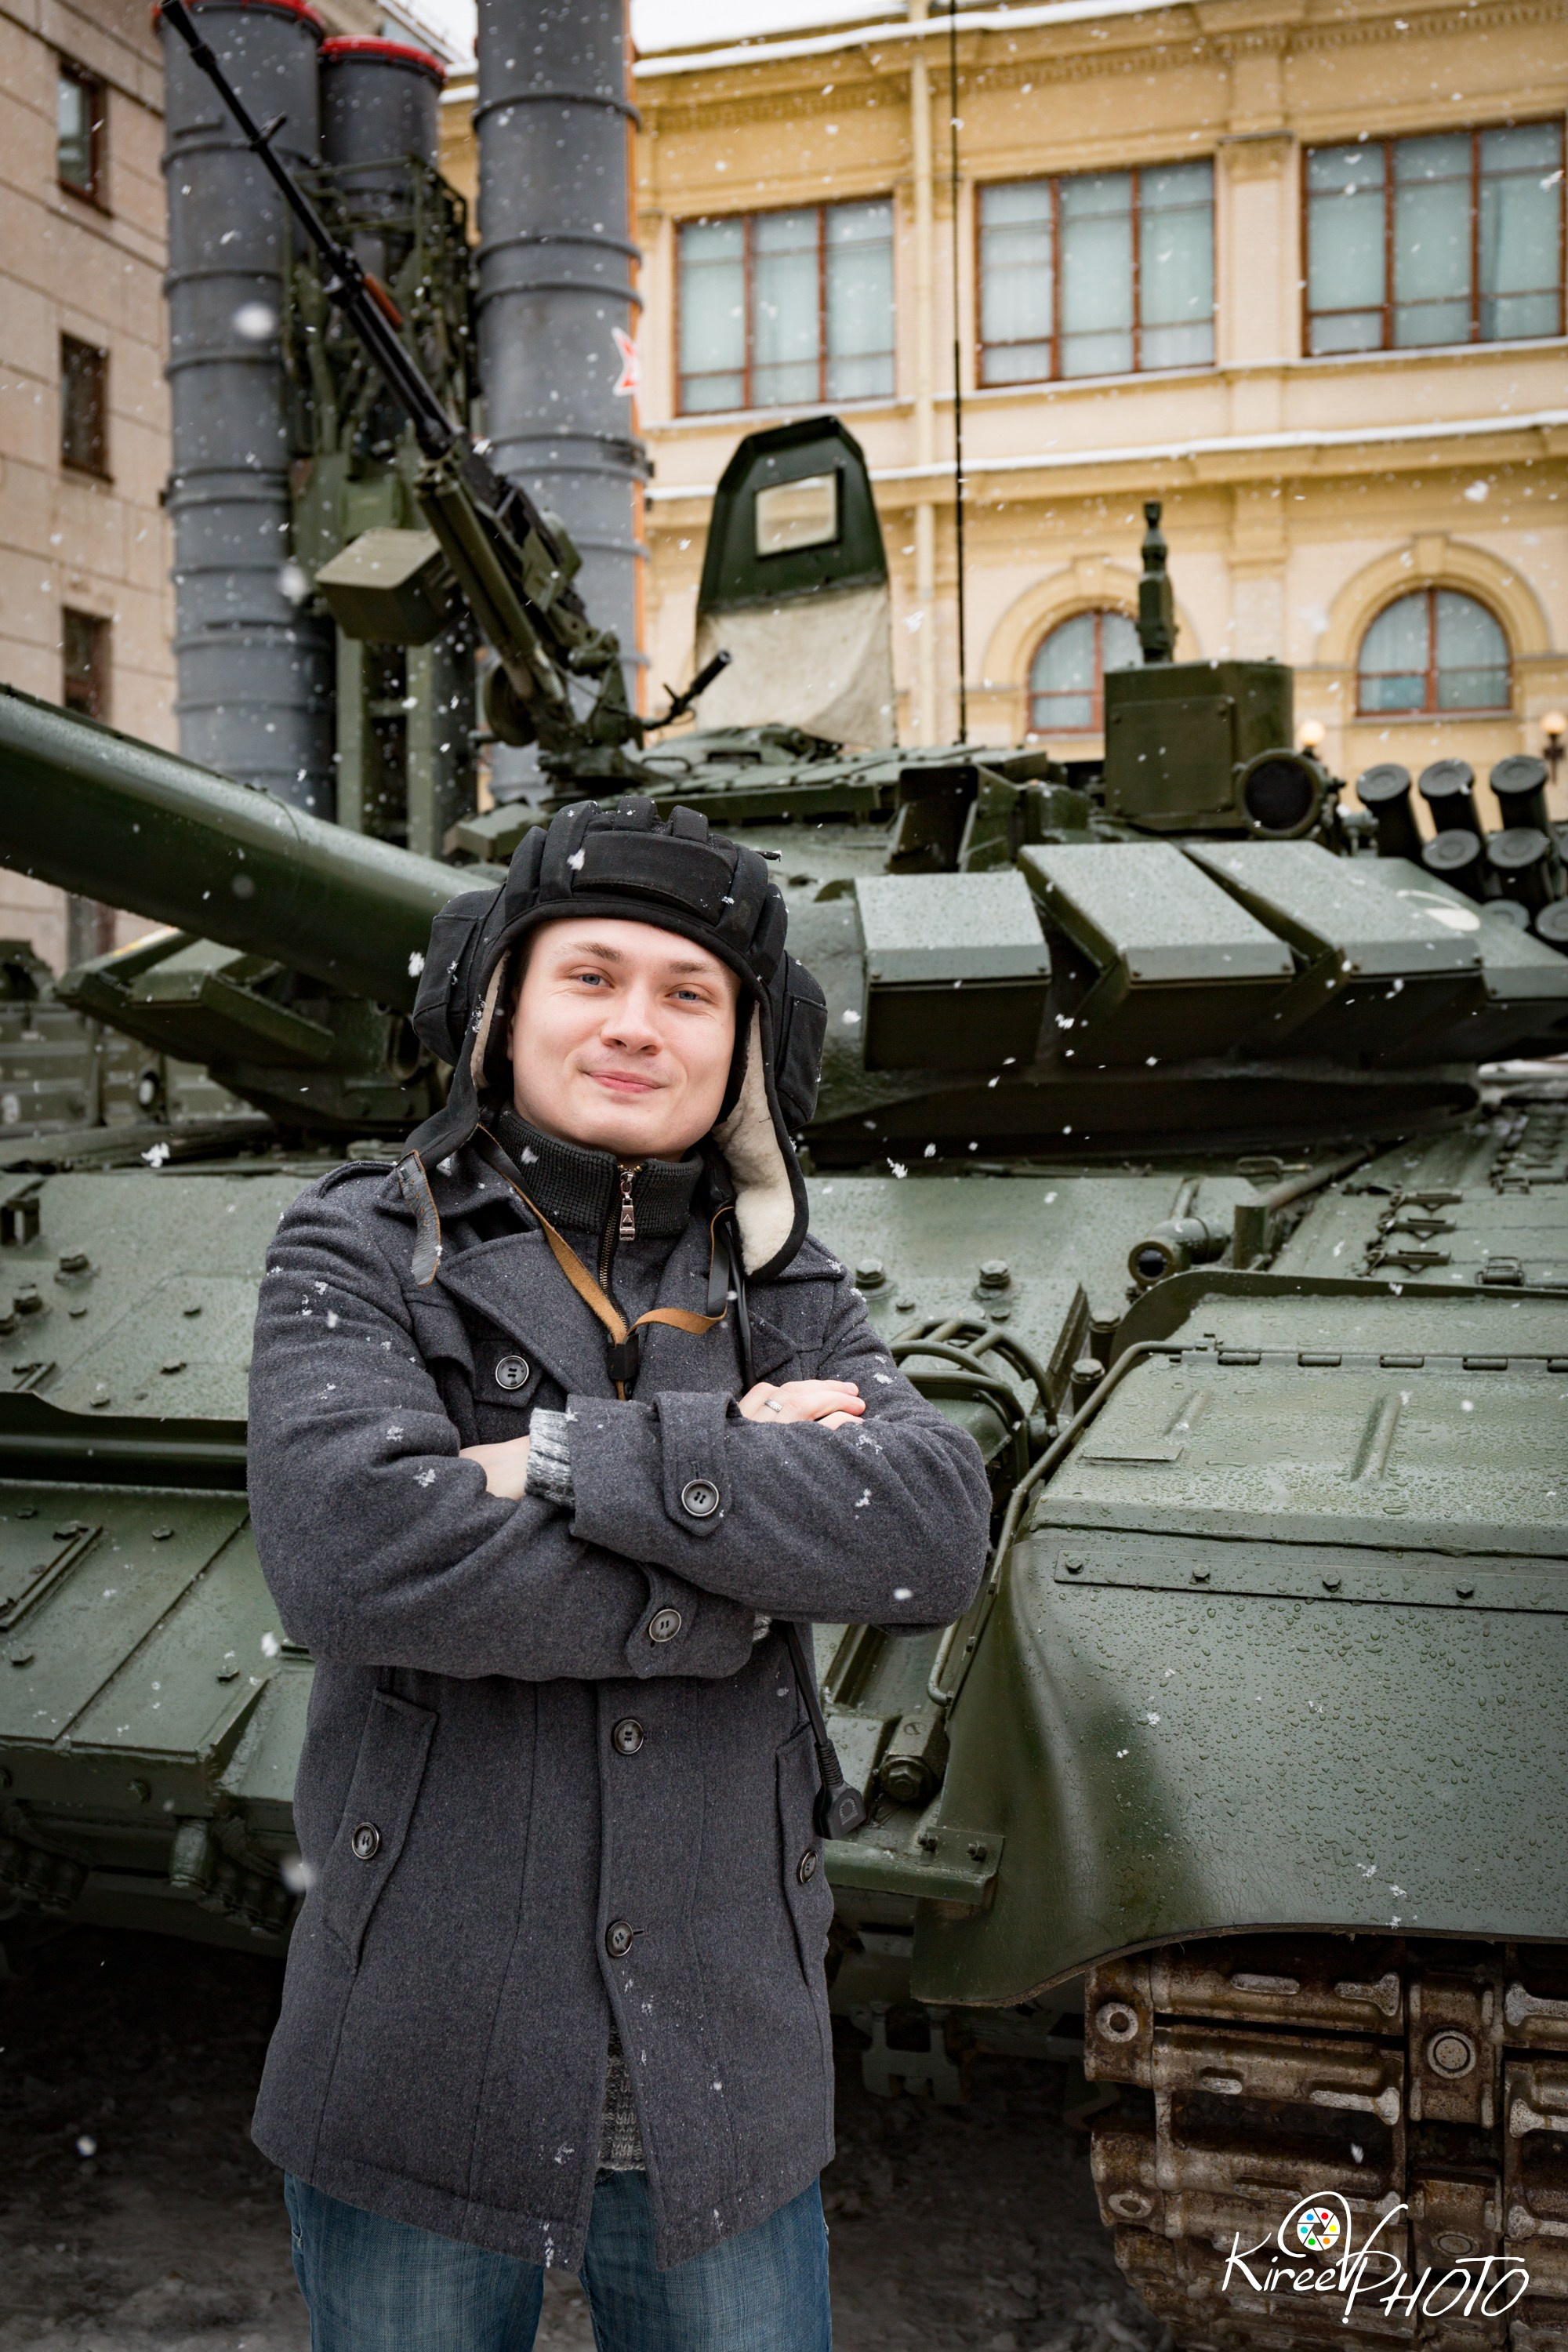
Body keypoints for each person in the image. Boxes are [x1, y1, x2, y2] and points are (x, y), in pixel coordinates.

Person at [246, 797, 991, 2351]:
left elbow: (926, 1530)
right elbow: (353, 1557)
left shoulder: (779, 1282)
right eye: (590, 975)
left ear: (741, 1046)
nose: (635, 1025)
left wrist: (564, 1463)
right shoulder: (364, 1247)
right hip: (420, 2049)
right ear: (502, 1004)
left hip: (722, 2071)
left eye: (688, 992)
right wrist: (741, 1526)